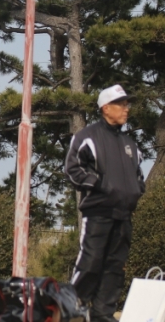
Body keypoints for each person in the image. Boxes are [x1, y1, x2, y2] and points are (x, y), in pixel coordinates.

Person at [65, 84, 146, 322]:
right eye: (121, 104)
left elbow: (139, 176)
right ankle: (72, 312)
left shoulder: (130, 144)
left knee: (114, 268)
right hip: (97, 213)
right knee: (90, 263)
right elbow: (72, 168)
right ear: (106, 108)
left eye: (126, 104)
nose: (126, 109)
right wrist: (99, 184)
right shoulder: (87, 137)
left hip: (124, 215)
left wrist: (137, 190)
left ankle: (103, 315)